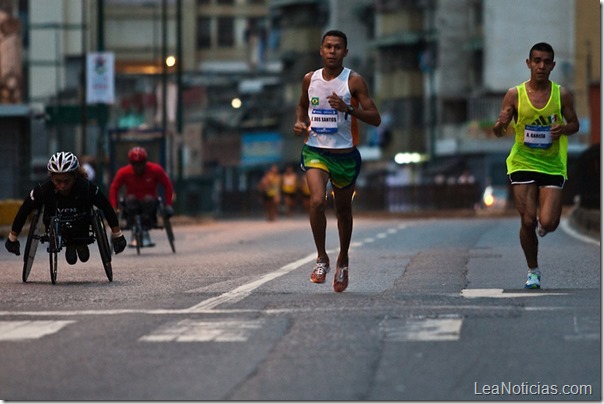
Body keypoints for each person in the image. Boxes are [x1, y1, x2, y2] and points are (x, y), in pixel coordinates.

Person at [293, 30, 381, 292]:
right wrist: (299, 122)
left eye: (338, 47)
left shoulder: (353, 82)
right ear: (320, 50)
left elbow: (375, 118)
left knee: (343, 211)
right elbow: (301, 107)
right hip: (315, 151)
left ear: (345, 52)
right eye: (328, 47)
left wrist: (349, 109)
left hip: (344, 155)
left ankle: (343, 259)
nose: (332, 51)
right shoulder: (310, 79)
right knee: (318, 201)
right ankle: (321, 258)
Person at [492, 42, 579, 289]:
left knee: (549, 223)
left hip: (552, 164)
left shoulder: (561, 95)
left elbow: (575, 124)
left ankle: (544, 225)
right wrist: (500, 124)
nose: (541, 66)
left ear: (552, 66)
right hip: (523, 162)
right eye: (537, 60)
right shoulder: (514, 94)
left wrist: (563, 128)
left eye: (546, 61)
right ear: (528, 63)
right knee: (528, 220)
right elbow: (499, 131)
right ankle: (533, 270)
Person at [4, 152, 127, 263]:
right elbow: (24, 210)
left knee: (83, 257)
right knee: (73, 257)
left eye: (66, 181)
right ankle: (71, 244)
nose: (62, 186)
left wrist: (117, 235)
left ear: (75, 176)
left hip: (81, 225)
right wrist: (12, 238)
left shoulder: (86, 187)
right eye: (58, 181)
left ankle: (78, 243)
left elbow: (106, 207)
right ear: (51, 177)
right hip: (56, 226)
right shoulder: (43, 190)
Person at [109, 146, 174, 248]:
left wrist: (168, 204)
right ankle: (133, 223)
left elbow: (167, 185)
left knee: (148, 200)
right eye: (135, 164)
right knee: (130, 200)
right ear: (131, 163)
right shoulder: (124, 172)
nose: (138, 167)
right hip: (132, 205)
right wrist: (113, 206)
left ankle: (146, 224)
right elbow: (114, 188)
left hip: (149, 205)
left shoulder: (155, 169)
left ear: (145, 162)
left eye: (140, 163)